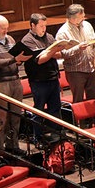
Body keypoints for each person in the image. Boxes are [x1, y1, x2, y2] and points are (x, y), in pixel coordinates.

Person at [0, 15, 31, 155]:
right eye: (3, 29)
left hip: (15, 80)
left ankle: (12, 145)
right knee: (1, 118)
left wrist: (19, 60)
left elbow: (13, 58)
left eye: (7, 28)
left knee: (15, 116)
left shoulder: (10, 39)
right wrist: (15, 59)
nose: (5, 31)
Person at [21, 13, 64, 147]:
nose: (44, 29)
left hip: (52, 78)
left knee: (55, 109)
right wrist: (51, 52)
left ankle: (56, 135)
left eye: (45, 26)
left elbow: (57, 54)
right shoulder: (27, 41)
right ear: (33, 25)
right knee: (38, 110)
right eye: (41, 26)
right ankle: (37, 137)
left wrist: (52, 51)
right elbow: (39, 60)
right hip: (38, 81)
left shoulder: (49, 37)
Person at [55, 4, 95, 102]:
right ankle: (80, 117)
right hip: (75, 71)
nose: (84, 18)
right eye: (81, 16)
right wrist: (78, 48)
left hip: (90, 67)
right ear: (73, 18)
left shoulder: (87, 25)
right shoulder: (63, 32)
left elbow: (93, 40)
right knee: (78, 99)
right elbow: (63, 54)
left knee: (94, 98)